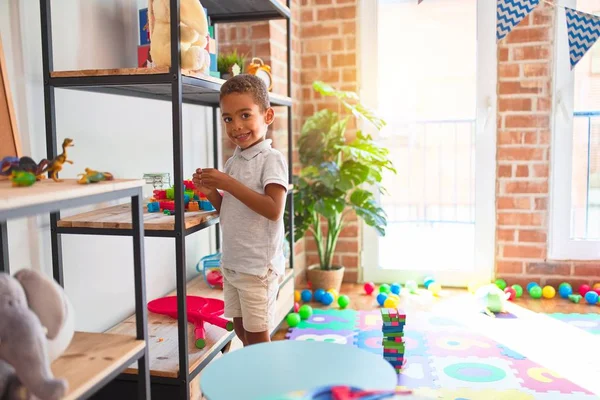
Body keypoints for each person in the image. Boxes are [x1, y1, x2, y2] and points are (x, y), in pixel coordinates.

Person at [192, 74, 288, 346]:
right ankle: (251, 379)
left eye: (245, 115)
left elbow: (273, 210)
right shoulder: (234, 161)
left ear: (267, 116)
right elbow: (229, 211)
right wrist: (212, 192)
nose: (236, 126)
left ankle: (262, 386)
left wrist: (228, 183)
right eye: (228, 119)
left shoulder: (272, 159)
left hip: (258, 269)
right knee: (242, 331)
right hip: (233, 264)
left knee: (258, 339)